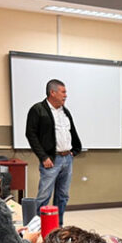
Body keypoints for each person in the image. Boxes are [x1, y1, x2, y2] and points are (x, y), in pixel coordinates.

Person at [26, 79, 82, 225]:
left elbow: (72, 132)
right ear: (52, 92)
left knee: (63, 196)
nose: (66, 95)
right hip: (51, 160)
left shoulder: (65, 111)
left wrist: (75, 150)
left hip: (67, 159)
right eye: (63, 92)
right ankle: (38, 227)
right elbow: (31, 134)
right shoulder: (38, 110)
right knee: (44, 196)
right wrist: (43, 157)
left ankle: (58, 225)